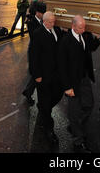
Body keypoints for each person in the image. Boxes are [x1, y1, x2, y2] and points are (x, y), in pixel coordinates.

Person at [58, 15, 100, 153]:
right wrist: (67, 87)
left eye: (84, 27)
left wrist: (99, 38)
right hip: (72, 82)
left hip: (84, 78)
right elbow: (62, 66)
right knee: (74, 111)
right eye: (80, 27)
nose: (83, 30)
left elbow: (90, 48)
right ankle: (78, 140)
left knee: (89, 104)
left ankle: (75, 125)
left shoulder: (85, 35)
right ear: (73, 26)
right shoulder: (66, 41)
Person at [29, 11, 63, 145]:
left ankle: (43, 108)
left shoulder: (56, 31)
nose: (53, 24)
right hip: (43, 76)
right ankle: (49, 130)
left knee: (56, 95)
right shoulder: (38, 34)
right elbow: (33, 56)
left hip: (55, 74)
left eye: (54, 22)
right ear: (44, 21)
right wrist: (36, 75)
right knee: (46, 102)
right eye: (50, 22)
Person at [22, 1, 46, 106]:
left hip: (40, 51)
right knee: (37, 74)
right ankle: (29, 92)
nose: (43, 15)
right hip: (34, 52)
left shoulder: (40, 20)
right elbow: (35, 36)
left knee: (37, 74)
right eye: (42, 13)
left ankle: (28, 91)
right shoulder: (31, 22)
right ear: (37, 13)